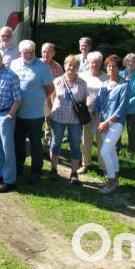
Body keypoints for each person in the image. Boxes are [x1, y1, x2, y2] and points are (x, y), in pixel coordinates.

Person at [10, 40, 55, 184]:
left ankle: (36, 172)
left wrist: (37, 98)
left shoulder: (42, 67)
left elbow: (50, 88)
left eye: (31, 53)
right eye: (25, 53)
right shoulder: (14, 64)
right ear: (20, 52)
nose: (29, 55)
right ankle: (18, 168)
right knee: (18, 142)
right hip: (17, 112)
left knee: (35, 144)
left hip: (35, 114)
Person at [0, 49, 23, 192]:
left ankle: (9, 180)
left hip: (5, 115)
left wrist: (10, 115)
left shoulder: (11, 76)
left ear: (1, 58)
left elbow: (18, 99)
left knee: (8, 149)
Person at [48, 55, 88, 185]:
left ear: (77, 68)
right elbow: (52, 98)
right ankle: (53, 169)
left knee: (75, 146)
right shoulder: (57, 81)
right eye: (69, 65)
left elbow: (83, 101)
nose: (71, 68)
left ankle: (74, 173)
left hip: (75, 120)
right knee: (55, 143)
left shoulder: (82, 83)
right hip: (58, 117)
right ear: (65, 66)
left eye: (74, 66)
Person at [95, 55, 130, 194]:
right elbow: (97, 106)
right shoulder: (104, 85)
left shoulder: (124, 86)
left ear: (119, 68)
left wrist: (107, 123)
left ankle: (110, 181)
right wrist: (99, 122)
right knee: (111, 152)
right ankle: (115, 179)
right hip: (102, 123)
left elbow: (121, 109)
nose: (111, 68)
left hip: (115, 124)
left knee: (104, 151)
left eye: (114, 66)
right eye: (109, 66)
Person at [77, 51, 107, 174]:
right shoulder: (82, 76)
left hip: (102, 114)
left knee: (102, 140)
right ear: (88, 63)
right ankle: (85, 164)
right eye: (92, 62)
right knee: (85, 139)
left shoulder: (106, 77)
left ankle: (103, 166)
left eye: (97, 62)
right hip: (86, 112)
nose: (94, 64)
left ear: (100, 64)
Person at [117, 53, 135, 160]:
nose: (130, 63)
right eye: (128, 61)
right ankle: (116, 150)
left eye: (133, 61)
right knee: (117, 130)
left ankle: (130, 152)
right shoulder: (119, 74)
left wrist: (126, 103)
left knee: (131, 131)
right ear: (125, 62)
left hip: (133, 110)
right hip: (119, 109)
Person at [41, 42, 65, 149]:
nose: (46, 54)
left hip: (51, 100)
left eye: (49, 52)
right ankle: (35, 145)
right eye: (44, 52)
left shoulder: (58, 67)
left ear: (53, 53)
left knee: (49, 124)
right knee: (35, 124)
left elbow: (61, 86)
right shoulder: (36, 64)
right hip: (36, 99)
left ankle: (47, 146)